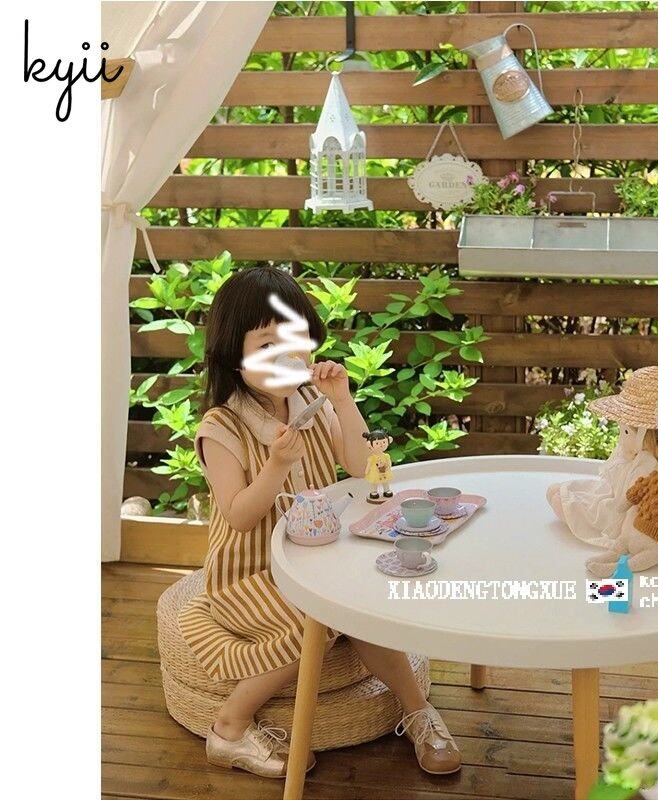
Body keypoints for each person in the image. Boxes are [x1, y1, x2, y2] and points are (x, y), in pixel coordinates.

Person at [178, 266, 460, 779]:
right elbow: (239, 516)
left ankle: (417, 711)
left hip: (316, 553)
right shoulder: (222, 426)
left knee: (360, 603)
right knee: (322, 617)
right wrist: (276, 467)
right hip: (251, 572)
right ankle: (230, 727)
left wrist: (343, 401)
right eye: (267, 344)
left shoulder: (310, 401)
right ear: (234, 356)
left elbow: (360, 465)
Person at [546, 366, 658, 548]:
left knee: (557, 498)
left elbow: (627, 503)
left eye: (625, 431)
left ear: (644, 436)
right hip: (616, 500)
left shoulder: (647, 464)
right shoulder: (645, 457)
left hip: (623, 516)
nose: (621, 439)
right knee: (559, 491)